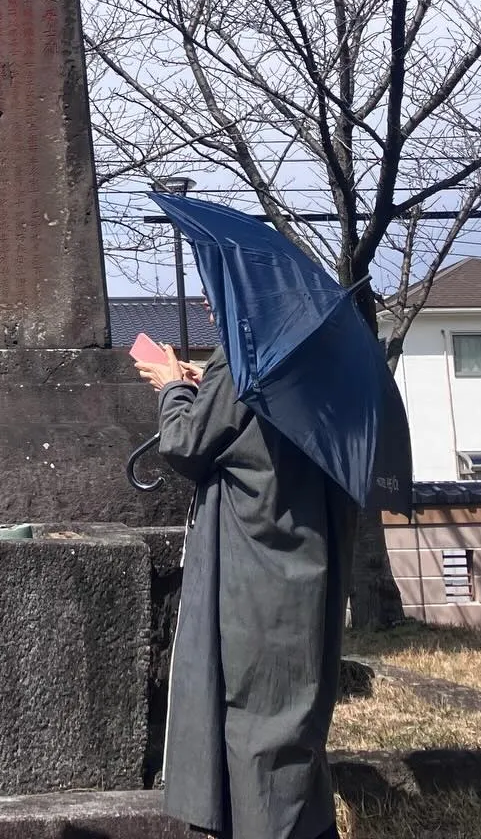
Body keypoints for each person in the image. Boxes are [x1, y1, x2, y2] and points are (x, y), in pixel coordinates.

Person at [135, 338, 356, 839]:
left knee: (253, 719)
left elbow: (186, 444)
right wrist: (212, 382)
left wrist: (174, 389)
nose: (214, 309)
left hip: (252, 565)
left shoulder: (246, 352)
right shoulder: (318, 355)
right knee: (294, 714)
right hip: (308, 555)